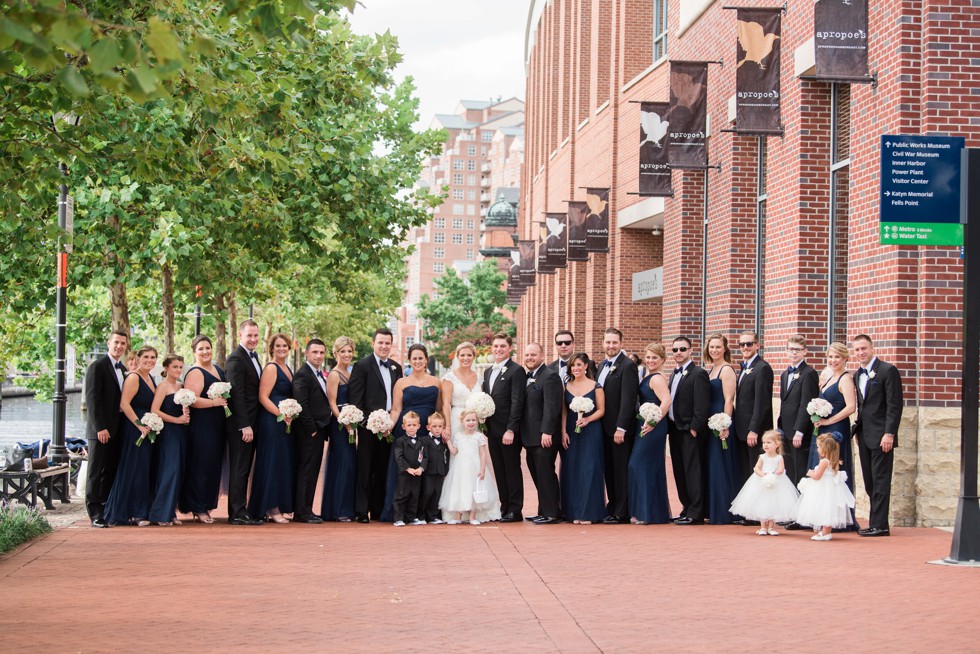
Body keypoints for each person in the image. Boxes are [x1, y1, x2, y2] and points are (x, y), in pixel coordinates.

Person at [381, 344, 441, 522]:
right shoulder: (401, 382)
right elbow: (396, 409)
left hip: (428, 431)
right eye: (414, 358)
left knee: (427, 469)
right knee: (404, 471)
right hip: (406, 430)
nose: (417, 361)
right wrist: (388, 427)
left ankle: (423, 513)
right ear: (409, 360)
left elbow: (438, 410)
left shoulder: (436, 382)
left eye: (420, 358)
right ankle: (400, 513)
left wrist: (442, 428)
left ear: (426, 360)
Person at [851, 334, 903, 537]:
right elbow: (863, 406)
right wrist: (858, 429)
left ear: (872, 348)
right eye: (857, 350)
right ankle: (875, 521)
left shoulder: (887, 370)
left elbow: (894, 405)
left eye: (864, 348)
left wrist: (889, 433)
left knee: (881, 480)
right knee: (870, 481)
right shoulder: (857, 374)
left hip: (882, 436)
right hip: (864, 435)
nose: (860, 352)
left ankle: (880, 525)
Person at [348, 328, 402, 523]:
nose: (384, 346)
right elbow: (356, 399)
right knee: (365, 468)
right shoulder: (362, 366)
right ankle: (362, 510)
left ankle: (378, 509)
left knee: (382, 468)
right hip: (368, 426)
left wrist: (389, 423)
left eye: (387, 343)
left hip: (390, 426)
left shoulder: (396, 367)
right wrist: (367, 423)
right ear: (373, 343)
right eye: (380, 342)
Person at [805, 342, 859, 531]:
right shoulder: (828, 377)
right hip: (822, 428)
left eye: (837, 357)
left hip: (836, 428)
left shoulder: (845, 379)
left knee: (832, 472)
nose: (833, 360)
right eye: (830, 357)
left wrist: (828, 421)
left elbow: (851, 407)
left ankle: (837, 520)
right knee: (820, 470)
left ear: (845, 358)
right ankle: (821, 515)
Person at [103, 346, 158, 526]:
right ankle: (131, 512)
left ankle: (141, 510)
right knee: (133, 468)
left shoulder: (150, 378)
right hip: (135, 428)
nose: (149, 360)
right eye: (146, 357)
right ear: (138, 358)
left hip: (148, 428)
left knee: (143, 469)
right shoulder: (134, 377)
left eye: (153, 357)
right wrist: (140, 425)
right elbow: (125, 404)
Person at [247, 333, 296, 523]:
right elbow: (263, 396)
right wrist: (281, 414)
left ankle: (279, 504)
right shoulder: (271, 368)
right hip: (272, 420)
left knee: (282, 462)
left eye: (285, 346)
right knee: (272, 461)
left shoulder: (287, 368)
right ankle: (270, 506)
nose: (282, 349)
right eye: (278, 346)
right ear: (272, 349)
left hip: (286, 421)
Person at [179, 335, 228, 524]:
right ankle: (198, 507)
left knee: (212, 465)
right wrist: (215, 402)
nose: (205, 351)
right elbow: (191, 399)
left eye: (208, 347)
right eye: (201, 349)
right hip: (202, 424)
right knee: (201, 464)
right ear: (194, 352)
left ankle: (207, 503)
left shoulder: (216, 369)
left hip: (217, 423)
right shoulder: (195, 372)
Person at [84, 329, 129, 528]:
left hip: (117, 430)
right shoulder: (97, 366)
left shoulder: (124, 368)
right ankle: (94, 513)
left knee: (110, 471)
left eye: (123, 343)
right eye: (116, 342)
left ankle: (106, 508)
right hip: (100, 431)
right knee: (95, 472)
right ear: (109, 343)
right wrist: (100, 428)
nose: (119, 346)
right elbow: (92, 400)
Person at [596, 327, 639, 524]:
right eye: (608, 342)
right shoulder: (601, 366)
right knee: (610, 470)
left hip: (619, 430)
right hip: (602, 428)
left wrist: (621, 427)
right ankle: (612, 506)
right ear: (603, 343)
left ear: (621, 343)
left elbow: (628, 399)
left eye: (614, 342)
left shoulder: (627, 366)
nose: (611, 346)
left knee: (621, 470)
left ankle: (622, 511)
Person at [482, 333, 526, 522]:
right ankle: (504, 506)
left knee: (511, 469)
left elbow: (517, 402)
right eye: (496, 346)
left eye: (502, 346)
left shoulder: (516, 371)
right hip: (492, 429)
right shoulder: (488, 371)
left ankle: (515, 510)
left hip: (507, 430)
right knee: (499, 469)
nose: (498, 349)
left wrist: (511, 429)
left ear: (510, 349)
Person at [667, 336, 711, 525]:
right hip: (674, 430)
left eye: (682, 349)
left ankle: (696, 512)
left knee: (693, 471)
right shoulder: (673, 374)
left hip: (689, 431)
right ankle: (686, 507)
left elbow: (702, 405)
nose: (678, 353)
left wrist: (695, 428)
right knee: (679, 470)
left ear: (691, 350)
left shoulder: (698, 373)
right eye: (675, 350)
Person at [224, 319, 264, 526]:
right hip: (242, 425)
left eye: (256, 335)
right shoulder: (236, 360)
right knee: (240, 468)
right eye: (249, 335)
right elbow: (236, 395)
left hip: (254, 422)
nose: (253, 339)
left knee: (246, 468)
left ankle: (243, 509)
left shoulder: (254, 357)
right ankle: (237, 512)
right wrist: (244, 425)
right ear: (240, 335)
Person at [627, 344, 672, 525]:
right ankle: (650, 512)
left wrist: (654, 421)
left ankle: (646, 512)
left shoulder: (657, 379)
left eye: (655, 358)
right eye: (648, 357)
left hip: (653, 426)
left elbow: (667, 401)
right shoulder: (648, 375)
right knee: (647, 466)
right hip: (645, 424)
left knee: (639, 465)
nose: (651, 360)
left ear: (662, 360)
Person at [561, 353, 606, 525]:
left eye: (579, 365)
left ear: (586, 366)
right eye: (573, 365)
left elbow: (601, 410)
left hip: (591, 431)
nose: (576, 368)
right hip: (572, 431)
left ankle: (589, 512)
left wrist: (587, 419)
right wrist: (563, 431)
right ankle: (573, 511)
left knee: (589, 470)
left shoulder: (596, 386)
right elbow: (564, 411)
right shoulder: (566, 385)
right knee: (572, 470)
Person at [520, 343, 563, 525]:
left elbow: (552, 408)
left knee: (545, 474)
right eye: (527, 355)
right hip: (530, 438)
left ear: (542, 356)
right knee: (538, 474)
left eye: (533, 355)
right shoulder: (528, 377)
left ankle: (552, 513)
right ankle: (543, 510)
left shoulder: (550, 376)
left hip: (544, 437)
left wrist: (547, 431)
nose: (530, 358)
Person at [729, 430, 800, 535]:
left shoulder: (779, 457)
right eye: (764, 442)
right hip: (762, 482)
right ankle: (763, 527)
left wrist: (778, 472)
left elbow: (781, 468)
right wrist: (762, 474)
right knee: (762, 504)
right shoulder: (762, 457)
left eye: (769, 442)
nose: (765, 445)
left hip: (776, 483)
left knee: (773, 504)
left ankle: (771, 527)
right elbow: (756, 468)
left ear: (777, 444)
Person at [291, 338, 331, 524]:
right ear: (306, 353)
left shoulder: (319, 373)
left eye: (321, 352)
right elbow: (302, 403)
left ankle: (307, 508)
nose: (318, 356)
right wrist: (312, 429)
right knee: (307, 470)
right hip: (309, 432)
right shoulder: (303, 375)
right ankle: (302, 512)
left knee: (313, 470)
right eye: (315, 352)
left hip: (319, 429)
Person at [147, 354, 189, 526]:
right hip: (169, 431)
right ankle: (160, 513)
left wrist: (185, 415)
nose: (178, 370)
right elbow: (155, 410)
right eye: (175, 367)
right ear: (166, 368)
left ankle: (171, 511)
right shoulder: (163, 387)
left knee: (179, 470)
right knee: (169, 470)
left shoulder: (181, 386)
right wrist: (176, 420)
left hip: (181, 432)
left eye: (180, 367)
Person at [702, 334, 739, 525]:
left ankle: (724, 511)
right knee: (712, 465)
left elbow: (728, 399)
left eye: (718, 347)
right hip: (710, 422)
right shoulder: (711, 369)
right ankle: (712, 508)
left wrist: (725, 424)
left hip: (720, 422)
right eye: (711, 347)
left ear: (725, 348)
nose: (714, 350)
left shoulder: (726, 370)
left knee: (720, 465)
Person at [439, 409, 500, 524]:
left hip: (475, 466)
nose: (471, 422)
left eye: (473, 420)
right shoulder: (458, 436)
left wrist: (482, 469)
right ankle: (457, 516)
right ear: (462, 422)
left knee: (474, 489)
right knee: (460, 489)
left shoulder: (479, 436)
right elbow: (453, 451)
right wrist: (447, 441)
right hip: (461, 467)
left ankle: (472, 516)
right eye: (468, 420)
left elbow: (482, 453)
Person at [321, 336, 357, 522]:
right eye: (343, 351)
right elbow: (332, 402)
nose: (347, 354)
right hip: (340, 424)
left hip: (351, 422)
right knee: (344, 463)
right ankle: (338, 509)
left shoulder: (350, 373)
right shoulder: (334, 375)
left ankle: (346, 507)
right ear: (336, 353)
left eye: (349, 351)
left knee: (350, 464)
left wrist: (353, 420)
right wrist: (343, 420)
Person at [795, 434, 856, 541]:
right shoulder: (833, 461)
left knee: (825, 509)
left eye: (818, 446)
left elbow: (817, 477)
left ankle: (826, 534)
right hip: (829, 487)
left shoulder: (824, 462)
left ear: (825, 449)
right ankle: (825, 531)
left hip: (824, 488)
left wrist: (810, 473)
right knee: (828, 509)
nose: (817, 449)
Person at [733, 331, 774, 486]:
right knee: (745, 471)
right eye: (742, 344)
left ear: (757, 345)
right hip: (742, 430)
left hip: (754, 432)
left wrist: (754, 430)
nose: (745, 347)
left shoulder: (762, 368)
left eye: (749, 344)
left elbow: (762, 403)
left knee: (756, 471)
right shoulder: (744, 368)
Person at [778, 335, 820, 486]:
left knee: (799, 470)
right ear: (786, 351)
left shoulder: (809, 373)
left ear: (805, 352)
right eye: (791, 349)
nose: (794, 353)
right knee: (788, 470)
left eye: (798, 350)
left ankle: (800, 505)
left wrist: (799, 431)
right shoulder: (784, 374)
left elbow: (806, 404)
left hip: (798, 432)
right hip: (785, 429)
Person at [392, 411, 428, 526]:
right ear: (403, 426)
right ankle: (398, 518)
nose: (411, 428)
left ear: (419, 426)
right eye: (409, 425)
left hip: (417, 473)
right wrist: (408, 468)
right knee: (402, 495)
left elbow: (425, 457)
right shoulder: (400, 441)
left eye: (414, 425)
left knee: (414, 495)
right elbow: (399, 457)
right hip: (404, 474)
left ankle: (411, 517)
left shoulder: (422, 442)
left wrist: (421, 468)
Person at [441, 342, 480, 438]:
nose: (466, 358)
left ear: (474, 357)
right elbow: (446, 404)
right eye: (462, 355)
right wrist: (448, 427)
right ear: (457, 357)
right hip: (456, 421)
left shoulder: (479, 378)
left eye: (469, 355)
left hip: (474, 422)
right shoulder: (449, 378)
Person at [419, 412, 450, 524]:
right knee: (427, 492)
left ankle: (433, 516)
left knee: (437, 493)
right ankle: (421, 515)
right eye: (434, 426)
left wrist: (446, 470)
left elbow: (447, 456)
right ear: (428, 427)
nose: (437, 429)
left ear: (444, 428)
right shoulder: (423, 440)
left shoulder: (444, 442)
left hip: (440, 471)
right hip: (428, 471)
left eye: (440, 426)